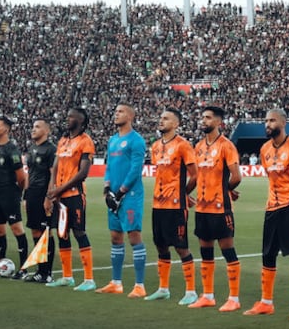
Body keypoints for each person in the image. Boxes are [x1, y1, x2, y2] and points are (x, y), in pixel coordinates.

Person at [245, 109, 289, 320]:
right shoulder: (265, 149)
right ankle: (266, 302)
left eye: (272, 120)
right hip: (271, 208)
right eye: (266, 120)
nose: (267, 124)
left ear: (283, 123)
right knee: (268, 255)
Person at [188, 106, 243, 312]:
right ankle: (208, 295)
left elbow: (236, 176)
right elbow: (195, 176)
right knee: (205, 251)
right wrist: (185, 193)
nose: (203, 120)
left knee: (228, 250)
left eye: (208, 118)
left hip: (220, 208)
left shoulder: (226, 146)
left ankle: (234, 298)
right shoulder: (199, 146)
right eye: (202, 117)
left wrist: (225, 190)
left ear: (218, 122)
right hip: (202, 208)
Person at [145, 108, 199, 304]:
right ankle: (163, 288)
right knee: (160, 245)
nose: (161, 121)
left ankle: (191, 291)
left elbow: (195, 175)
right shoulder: (156, 146)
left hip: (176, 205)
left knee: (181, 247)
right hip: (158, 204)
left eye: (166, 119)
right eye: (161, 118)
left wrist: (184, 194)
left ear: (176, 124)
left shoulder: (183, 145)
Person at [98, 104, 148, 297]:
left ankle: (140, 285)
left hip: (130, 196)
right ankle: (116, 283)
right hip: (113, 195)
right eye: (115, 111)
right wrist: (106, 188)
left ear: (130, 116)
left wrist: (121, 192)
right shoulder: (112, 140)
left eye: (120, 112)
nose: (115, 114)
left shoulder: (136, 140)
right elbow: (109, 165)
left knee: (133, 236)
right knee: (115, 236)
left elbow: (136, 169)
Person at [44, 107, 96, 290]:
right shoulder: (63, 141)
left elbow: (83, 173)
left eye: (71, 117)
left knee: (79, 232)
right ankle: (67, 277)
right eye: (67, 116)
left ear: (81, 121)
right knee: (62, 234)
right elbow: (55, 166)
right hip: (60, 197)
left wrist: (60, 189)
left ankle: (89, 279)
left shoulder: (86, 141)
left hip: (75, 195)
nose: (68, 119)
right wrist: (52, 189)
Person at [0, 116, 29, 277]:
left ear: (5, 129)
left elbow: (21, 177)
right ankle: (1, 265)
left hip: (9, 193)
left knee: (17, 228)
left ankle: (24, 268)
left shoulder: (12, 149)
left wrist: (17, 193)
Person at [23, 119, 58, 283]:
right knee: (35, 231)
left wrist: (49, 197)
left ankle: (48, 272)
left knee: (46, 232)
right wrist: (25, 196)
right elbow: (29, 174)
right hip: (32, 194)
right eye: (33, 126)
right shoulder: (31, 149)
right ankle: (40, 270)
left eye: (37, 127)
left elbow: (53, 175)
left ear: (47, 131)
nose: (33, 129)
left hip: (44, 194)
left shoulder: (51, 150)